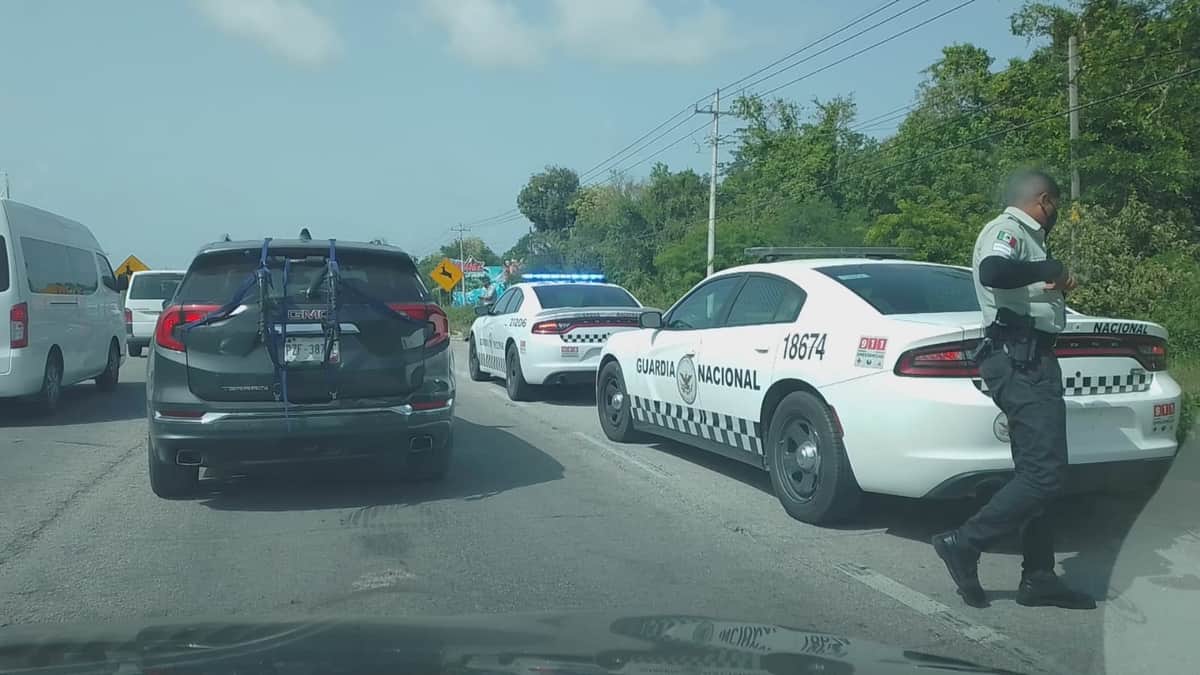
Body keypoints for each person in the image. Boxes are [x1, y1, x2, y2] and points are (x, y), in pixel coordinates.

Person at [931, 169, 1095, 610]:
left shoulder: (1028, 239)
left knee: (1036, 475)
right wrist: (1052, 268)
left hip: (1030, 357)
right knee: (1045, 474)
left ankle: (1038, 578)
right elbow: (994, 271)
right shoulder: (1008, 231)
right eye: (1055, 206)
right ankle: (963, 543)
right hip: (1020, 359)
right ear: (1043, 200)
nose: (1056, 214)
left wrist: (1052, 277)